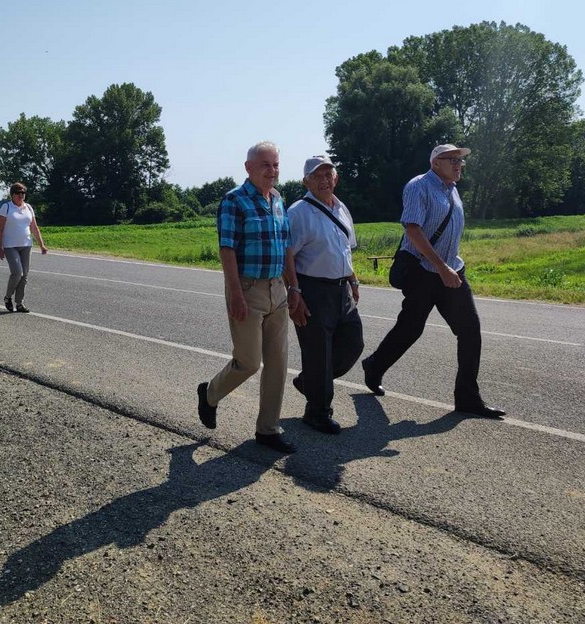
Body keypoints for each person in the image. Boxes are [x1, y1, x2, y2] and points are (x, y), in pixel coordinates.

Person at [361, 145, 505, 419]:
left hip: (452, 270)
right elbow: (412, 228)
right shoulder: (419, 186)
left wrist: (451, 267)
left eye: (460, 160)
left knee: (470, 329)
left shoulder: (451, 188)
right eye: (453, 160)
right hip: (424, 272)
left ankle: (467, 399)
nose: (458, 164)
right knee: (411, 328)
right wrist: (441, 267)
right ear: (436, 163)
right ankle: (374, 366)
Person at [196, 141, 302, 453]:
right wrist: (235, 295)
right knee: (249, 362)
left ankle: (268, 430)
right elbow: (227, 249)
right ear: (249, 168)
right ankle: (210, 394)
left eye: (276, 164)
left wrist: (294, 287)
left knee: (278, 363)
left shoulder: (279, 200)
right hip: (247, 289)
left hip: (277, 290)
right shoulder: (234, 201)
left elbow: (285, 248)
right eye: (266, 165)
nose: (273, 171)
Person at [286, 154, 364, 434]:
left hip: (341, 289)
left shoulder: (342, 209)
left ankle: (310, 382)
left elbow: (345, 249)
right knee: (318, 354)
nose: (323, 179)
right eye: (317, 175)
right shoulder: (298, 212)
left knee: (353, 344)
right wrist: (295, 291)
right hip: (313, 290)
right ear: (306, 181)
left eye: (328, 174)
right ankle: (317, 411)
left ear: (335, 178)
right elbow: (287, 256)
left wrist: (353, 281)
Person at [0, 183, 47, 313]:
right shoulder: (6, 207)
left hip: (26, 244)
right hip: (10, 245)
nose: (21, 196)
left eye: (23, 193)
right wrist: (0, 247)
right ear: (12, 194)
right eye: (18, 193)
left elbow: (34, 227)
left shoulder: (28, 207)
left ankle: (19, 303)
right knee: (17, 272)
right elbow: (0, 229)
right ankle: (8, 297)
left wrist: (41, 244)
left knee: (24, 275)